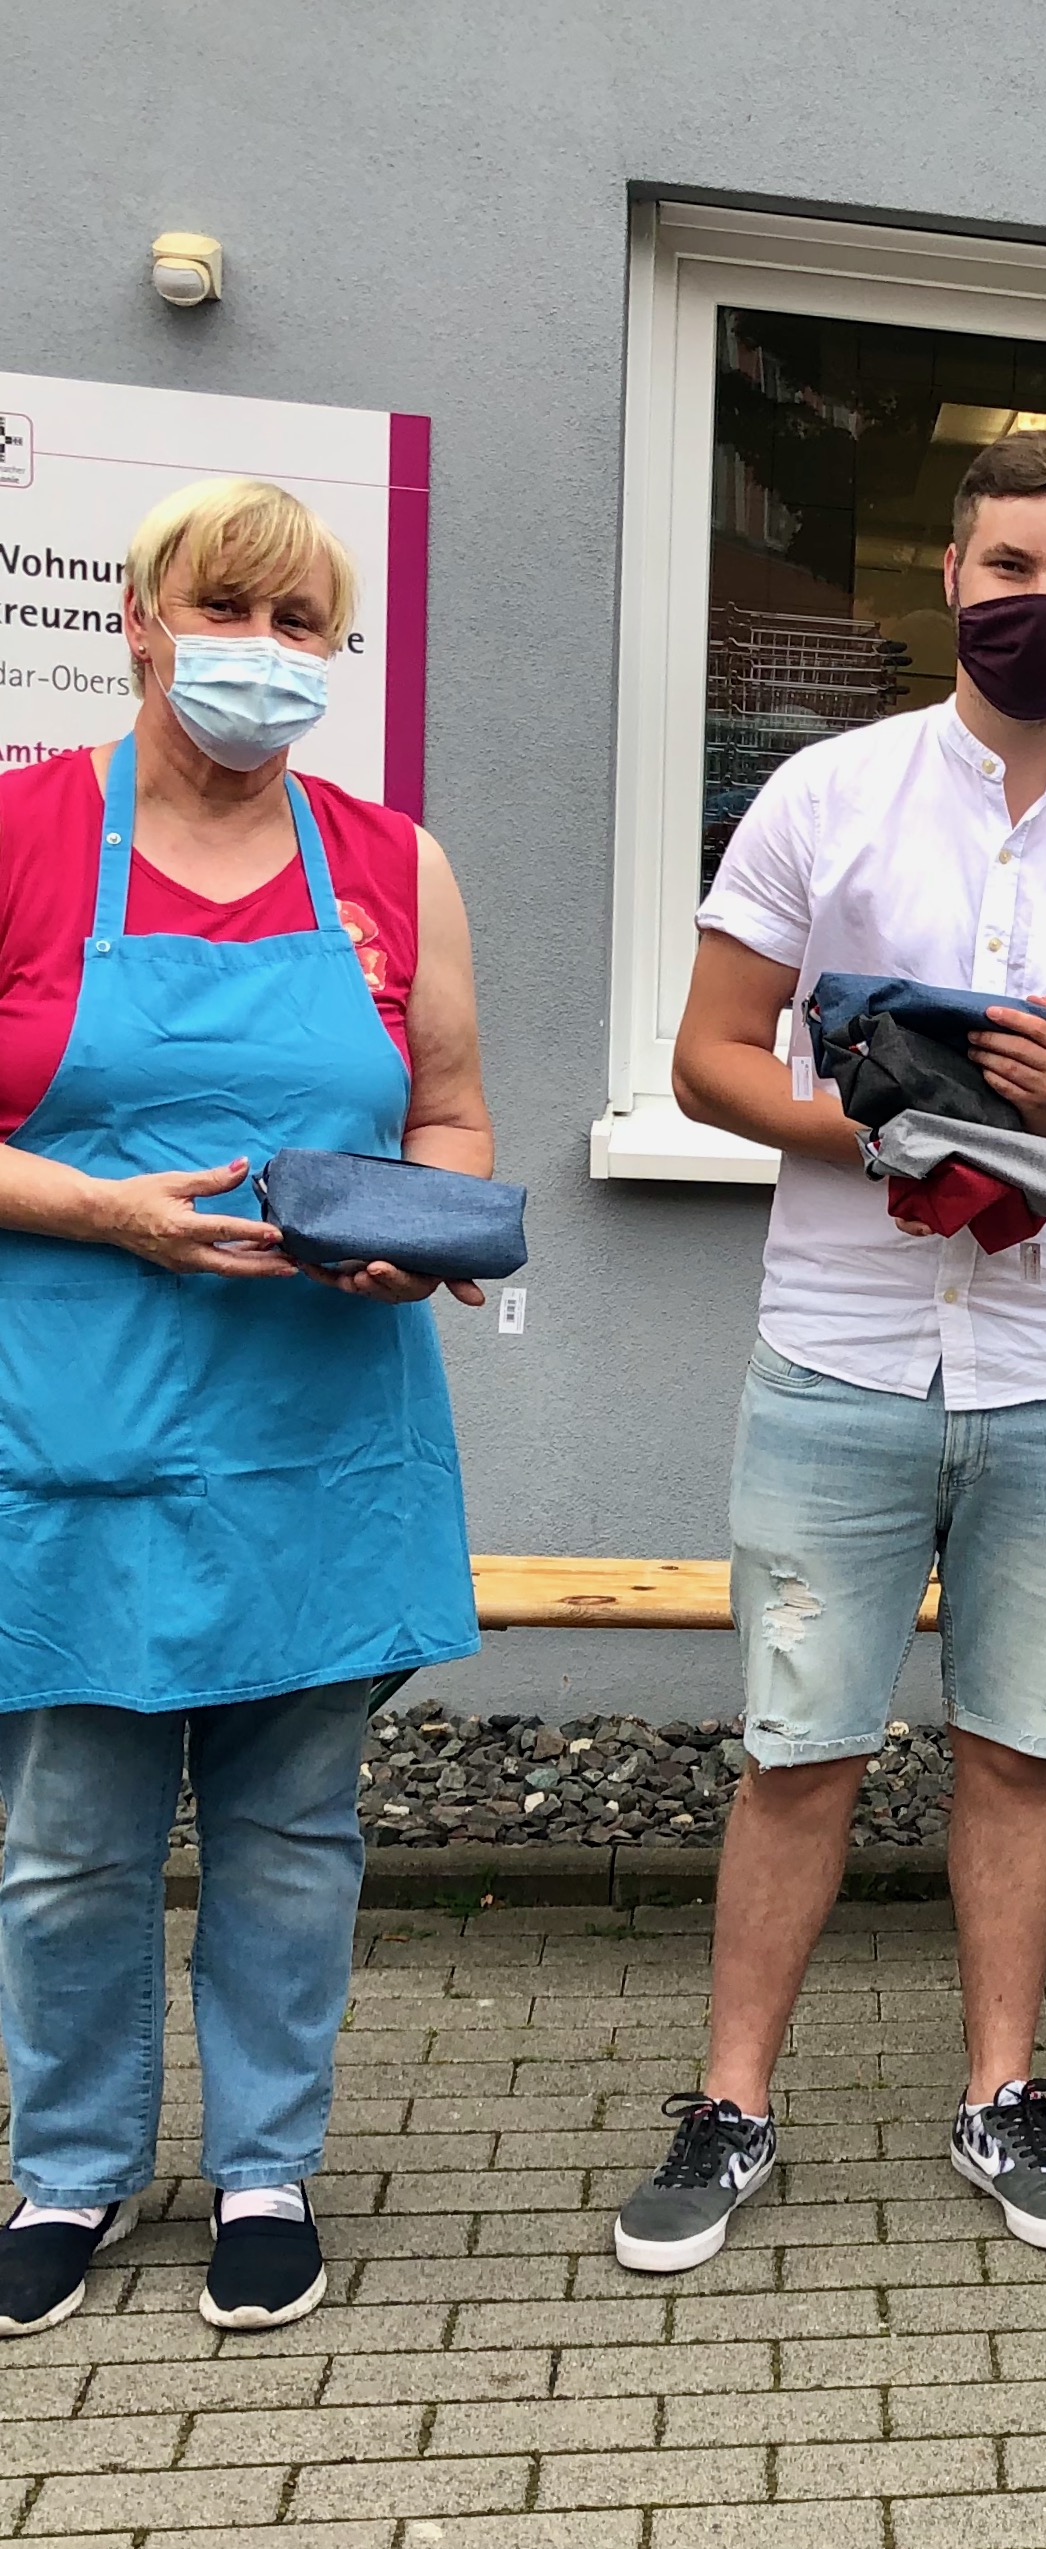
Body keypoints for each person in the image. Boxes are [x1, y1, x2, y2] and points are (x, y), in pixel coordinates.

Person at [609, 429, 1046, 2274]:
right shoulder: (824, 795)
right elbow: (707, 1058)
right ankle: (733, 2104)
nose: (1040, 608)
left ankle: (1000, 2092)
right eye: (1012, 570)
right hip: (838, 1353)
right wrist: (880, 1129)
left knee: (1022, 1747)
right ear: (952, 573)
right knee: (797, 1746)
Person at [0, 479, 491, 2339]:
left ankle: (267, 2164)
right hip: (78, 1435)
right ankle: (70, 2168)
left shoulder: (390, 864)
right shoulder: (25, 835)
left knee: (291, 1830)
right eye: (233, 608)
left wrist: (415, 1231)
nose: (268, 654)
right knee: (68, 1838)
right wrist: (102, 1205)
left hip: (318, 1430)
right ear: (136, 612)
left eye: (305, 627)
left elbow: (448, 1111)